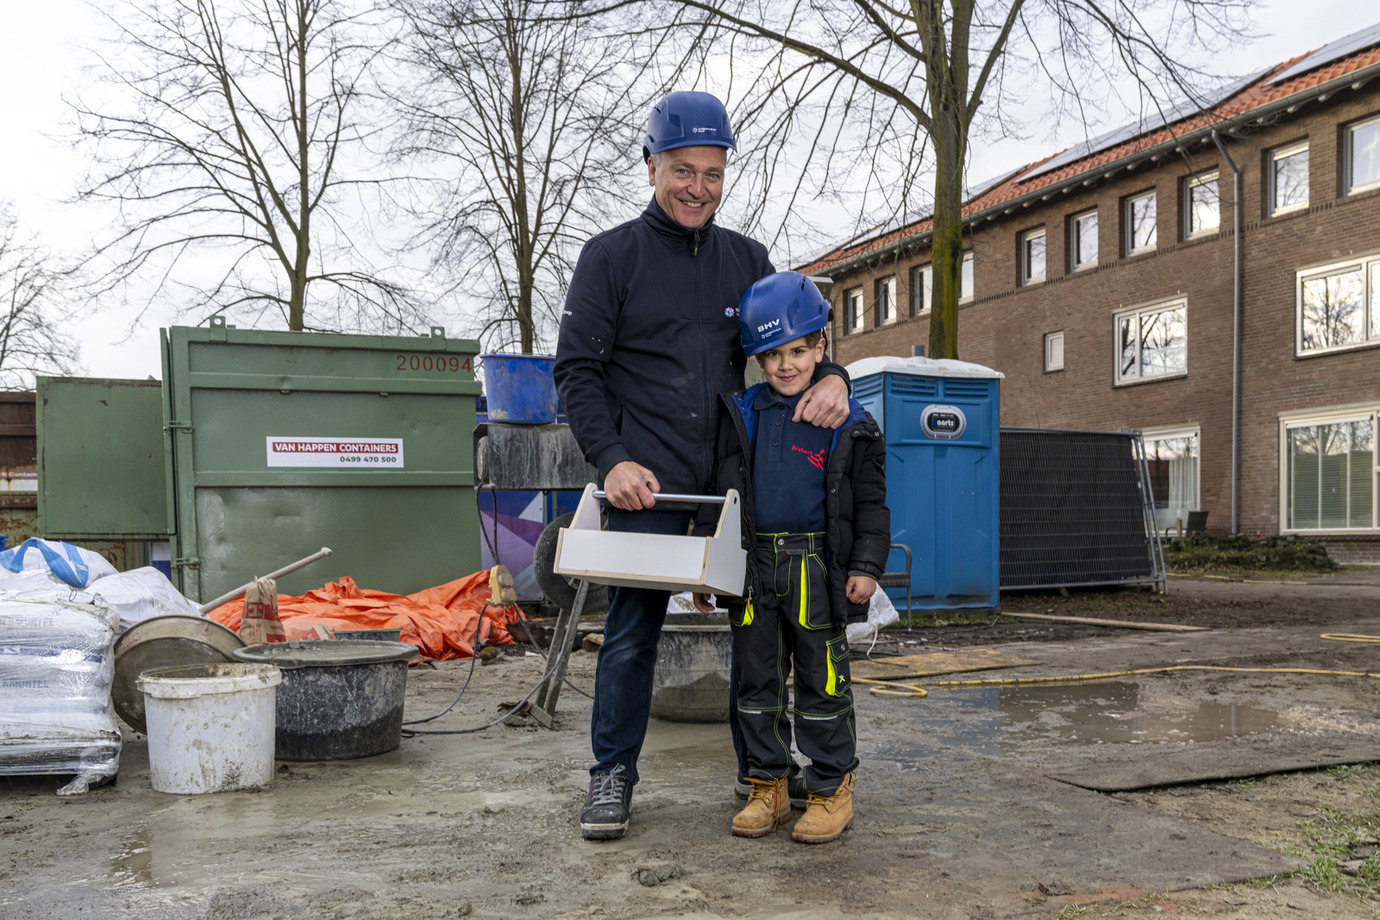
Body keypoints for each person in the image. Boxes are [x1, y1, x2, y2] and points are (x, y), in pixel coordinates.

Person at [554, 91, 852, 841]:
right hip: (644, 488)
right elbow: (576, 373)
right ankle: (611, 778)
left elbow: (800, 335)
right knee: (630, 635)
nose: (698, 187)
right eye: (683, 170)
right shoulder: (611, 257)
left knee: (758, 638)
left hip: (731, 487)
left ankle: (759, 781)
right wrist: (613, 459)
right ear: (651, 165)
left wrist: (837, 377)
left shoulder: (747, 262)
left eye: (713, 173)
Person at [692, 271, 890, 843]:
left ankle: (831, 788)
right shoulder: (742, 414)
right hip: (753, 573)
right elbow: (720, 494)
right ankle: (768, 785)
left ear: (821, 347)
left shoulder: (847, 422)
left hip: (816, 571)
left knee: (822, 683)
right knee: (755, 685)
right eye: (772, 354)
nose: (786, 365)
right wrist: (708, 564)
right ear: (756, 357)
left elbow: (872, 504)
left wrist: (866, 567)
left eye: (799, 351)